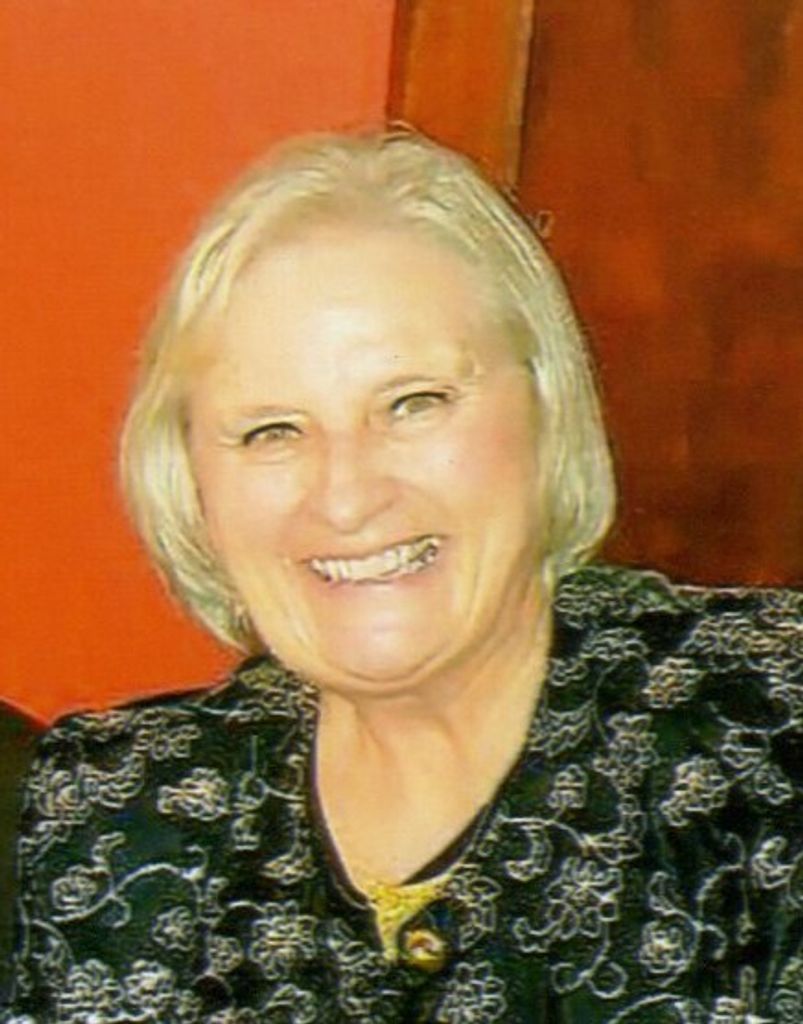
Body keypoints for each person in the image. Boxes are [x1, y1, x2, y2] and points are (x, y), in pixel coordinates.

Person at [4, 130, 803, 1024]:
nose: (346, 496)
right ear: (190, 481)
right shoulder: (122, 813)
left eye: (414, 403)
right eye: (271, 431)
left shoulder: (769, 727)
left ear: (545, 412)